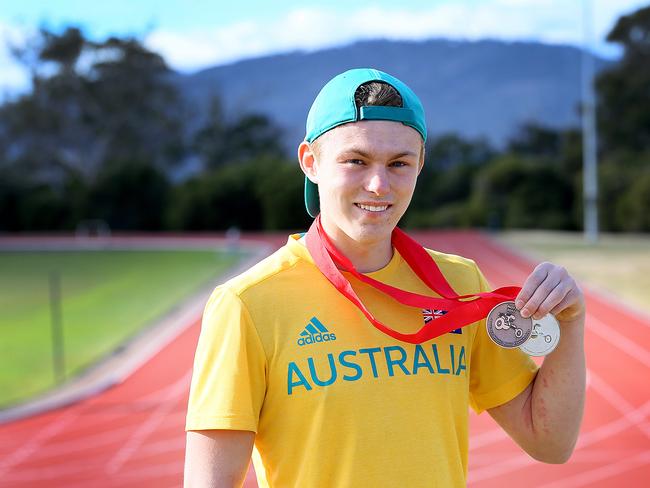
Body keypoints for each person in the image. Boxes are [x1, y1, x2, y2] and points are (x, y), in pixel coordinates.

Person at [184, 68, 586, 487]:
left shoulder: (460, 286)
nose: (379, 185)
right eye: (356, 160)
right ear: (311, 162)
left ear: (420, 164)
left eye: (399, 163)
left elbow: (550, 443)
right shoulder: (248, 303)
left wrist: (571, 323)